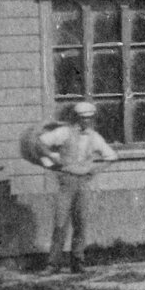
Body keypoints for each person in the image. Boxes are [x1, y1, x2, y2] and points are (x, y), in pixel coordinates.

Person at [39, 101, 119, 274]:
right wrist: (52, 160)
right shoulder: (64, 132)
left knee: (80, 223)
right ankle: (53, 264)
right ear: (76, 118)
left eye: (89, 118)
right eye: (82, 118)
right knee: (60, 223)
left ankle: (77, 262)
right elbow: (41, 143)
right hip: (66, 181)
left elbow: (111, 156)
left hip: (83, 182)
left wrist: (94, 170)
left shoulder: (94, 137)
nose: (86, 121)